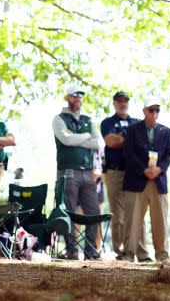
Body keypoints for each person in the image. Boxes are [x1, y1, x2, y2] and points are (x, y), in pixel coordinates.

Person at [52, 84, 102, 260]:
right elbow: (65, 140)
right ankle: (71, 251)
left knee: (94, 213)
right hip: (68, 172)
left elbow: (97, 143)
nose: (77, 99)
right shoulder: (59, 119)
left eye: (80, 96)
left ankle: (90, 251)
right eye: (74, 96)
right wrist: (87, 136)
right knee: (69, 213)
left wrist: (78, 139)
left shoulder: (89, 120)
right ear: (67, 98)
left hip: (88, 173)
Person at [123, 97, 170, 263]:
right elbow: (128, 154)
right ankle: (129, 254)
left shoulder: (166, 131)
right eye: (151, 110)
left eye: (157, 110)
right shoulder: (133, 129)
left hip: (158, 181)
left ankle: (162, 255)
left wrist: (159, 169)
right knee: (133, 220)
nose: (154, 113)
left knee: (160, 220)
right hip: (137, 180)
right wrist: (144, 169)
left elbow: (169, 154)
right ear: (144, 111)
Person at [101, 91, 148, 260]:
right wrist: (130, 140)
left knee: (137, 215)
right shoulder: (107, 122)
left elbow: (142, 145)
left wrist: (123, 138)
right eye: (119, 101)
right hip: (114, 172)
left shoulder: (137, 122)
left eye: (125, 101)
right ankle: (120, 252)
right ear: (114, 104)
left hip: (134, 173)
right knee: (118, 216)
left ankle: (140, 252)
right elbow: (111, 141)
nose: (123, 104)